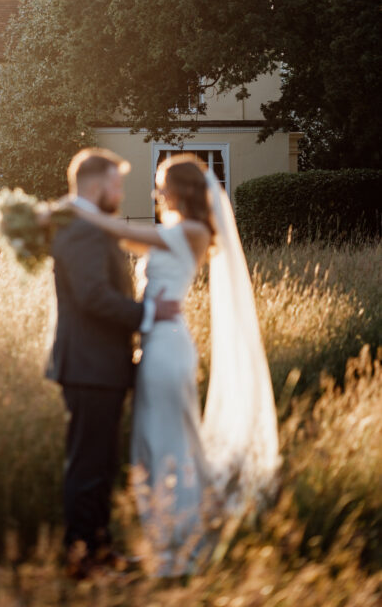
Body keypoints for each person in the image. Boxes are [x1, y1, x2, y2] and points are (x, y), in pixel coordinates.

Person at [69, 152, 279, 577]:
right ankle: (176, 533)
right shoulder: (174, 231)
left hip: (166, 348)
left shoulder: (194, 230)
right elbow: (124, 238)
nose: (156, 190)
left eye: (162, 182)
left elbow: (118, 232)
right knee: (158, 441)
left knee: (165, 443)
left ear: (182, 189)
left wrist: (76, 209)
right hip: (157, 345)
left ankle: (179, 544)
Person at [45, 148, 181, 578]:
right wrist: (146, 315)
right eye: (117, 184)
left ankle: (98, 550)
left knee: (100, 463)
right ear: (97, 184)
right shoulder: (82, 229)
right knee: (88, 465)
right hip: (89, 364)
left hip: (97, 363)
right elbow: (92, 296)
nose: (121, 193)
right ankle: (82, 559)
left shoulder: (83, 224)